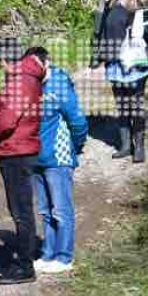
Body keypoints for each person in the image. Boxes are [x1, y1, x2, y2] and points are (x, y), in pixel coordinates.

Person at [0, 38, 46, 285]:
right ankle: (25, 257)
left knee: (21, 211)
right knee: (22, 209)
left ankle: (24, 266)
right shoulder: (29, 77)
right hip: (22, 147)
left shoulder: (19, 82)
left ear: (5, 61)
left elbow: (7, 121)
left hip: (16, 151)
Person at [23, 47, 88, 274]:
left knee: (61, 209)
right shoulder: (29, 85)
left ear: (45, 63)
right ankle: (48, 252)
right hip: (35, 158)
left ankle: (64, 256)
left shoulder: (60, 83)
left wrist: (75, 147)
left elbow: (77, 121)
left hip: (58, 159)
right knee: (45, 210)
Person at [91, 0, 148, 163]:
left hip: (132, 63)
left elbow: (141, 34)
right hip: (114, 62)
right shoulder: (109, 5)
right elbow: (100, 30)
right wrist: (98, 55)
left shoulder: (138, 5)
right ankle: (125, 145)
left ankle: (140, 147)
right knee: (121, 106)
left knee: (135, 106)